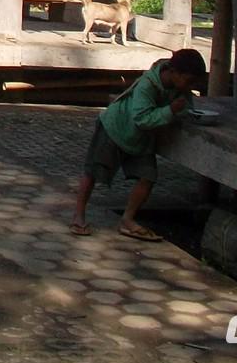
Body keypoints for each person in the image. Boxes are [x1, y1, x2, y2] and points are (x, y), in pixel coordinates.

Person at [70, 47, 208, 240]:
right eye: (189, 80)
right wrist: (170, 111)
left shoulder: (181, 89)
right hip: (115, 128)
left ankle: (127, 219)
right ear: (174, 72)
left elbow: (186, 106)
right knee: (93, 171)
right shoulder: (148, 85)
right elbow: (142, 118)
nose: (190, 86)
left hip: (142, 138)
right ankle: (78, 215)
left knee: (147, 176)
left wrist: (185, 112)